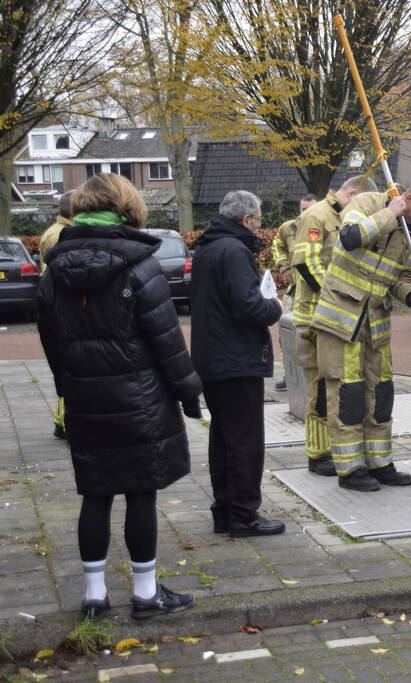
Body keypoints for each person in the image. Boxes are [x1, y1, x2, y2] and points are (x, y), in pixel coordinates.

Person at [37, 173, 201, 620]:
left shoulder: (53, 271)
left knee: (95, 494)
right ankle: (146, 594)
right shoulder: (139, 265)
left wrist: (67, 388)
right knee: (140, 494)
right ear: (128, 207)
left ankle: (95, 596)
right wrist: (189, 394)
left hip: (85, 401)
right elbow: (167, 341)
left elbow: (51, 343)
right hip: (140, 401)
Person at [310, 179, 411, 491]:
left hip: (376, 324)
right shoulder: (368, 204)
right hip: (342, 320)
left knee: (380, 394)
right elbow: (350, 238)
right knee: (347, 394)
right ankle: (350, 468)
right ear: (407, 199)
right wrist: (389, 214)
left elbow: (396, 278)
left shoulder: (408, 231)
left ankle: (380, 462)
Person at [191, 190, 285, 538]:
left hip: (211, 357)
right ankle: (244, 515)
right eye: (259, 221)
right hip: (236, 359)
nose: (260, 229)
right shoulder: (234, 250)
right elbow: (249, 307)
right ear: (246, 220)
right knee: (245, 441)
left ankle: (225, 511)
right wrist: (274, 306)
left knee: (223, 439)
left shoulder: (207, 247)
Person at [291, 176, 377, 476]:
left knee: (338, 385)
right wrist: (337, 297)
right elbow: (305, 263)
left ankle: (334, 449)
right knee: (320, 388)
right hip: (314, 317)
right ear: (353, 194)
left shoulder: (343, 217)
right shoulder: (316, 216)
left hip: (339, 318)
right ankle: (318, 454)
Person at [270, 193, 319, 392]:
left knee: (313, 332)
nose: (305, 214)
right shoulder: (288, 228)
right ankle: (289, 374)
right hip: (294, 290)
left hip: (316, 290)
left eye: (310, 210)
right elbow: (277, 245)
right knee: (286, 331)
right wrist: (284, 267)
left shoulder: (321, 226)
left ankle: (315, 373)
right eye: (302, 209)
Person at [37, 192, 74, 440]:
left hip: (54, 307)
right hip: (58, 309)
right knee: (66, 373)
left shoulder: (57, 231)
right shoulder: (58, 236)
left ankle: (61, 422)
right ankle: (64, 423)